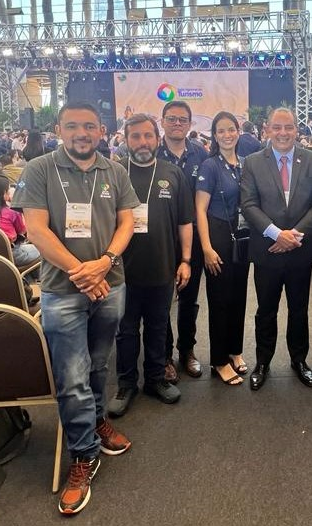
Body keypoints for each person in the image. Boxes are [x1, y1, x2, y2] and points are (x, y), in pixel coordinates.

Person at [11, 102, 139, 514]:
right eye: (73, 126)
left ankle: (97, 420)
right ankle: (83, 454)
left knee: (99, 365)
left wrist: (105, 263)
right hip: (61, 291)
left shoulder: (114, 171)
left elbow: (126, 222)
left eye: (89, 126)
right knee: (70, 376)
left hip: (110, 285)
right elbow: (36, 229)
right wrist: (80, 270)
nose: (81, 133)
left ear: (102, 131)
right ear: (59, 130)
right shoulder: (39, 169)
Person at [107, 114, 194, 417]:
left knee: (158, 328)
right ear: (126, 139)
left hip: (162, 268)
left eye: (148, 136)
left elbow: (185, 221)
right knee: (126, 331)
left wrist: (185, 260)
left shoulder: (172, 173)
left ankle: (156, 379)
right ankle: (126, 383)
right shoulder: (115, 174)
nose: (142, 142)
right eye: (135, 136)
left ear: (157, 139)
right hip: (122, 272)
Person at [241, 107, 312, 390]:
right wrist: (277, 234)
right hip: (267, 252)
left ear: (296, 130)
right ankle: (263, 362)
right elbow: (249, 204)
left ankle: (299, 360)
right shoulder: (253, 162)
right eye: (276, 127)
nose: (282, 133)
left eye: (288, 127)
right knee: (265, 310)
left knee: (299, 310)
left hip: (300, 253)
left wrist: (294, 236)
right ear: (266, 129)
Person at [196, 112, 250, 385]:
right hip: (217, 236)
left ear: (238, 131)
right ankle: (219, 360)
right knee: (219, 300)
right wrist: (206, 246)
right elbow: (200, 210)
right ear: (215, 136)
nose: (227, 135)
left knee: (239, 297)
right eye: (221, 131)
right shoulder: (210, 165)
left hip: (241, 238)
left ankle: (235, 350)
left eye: (231, 129)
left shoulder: (244, 164)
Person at [157, 101, 208, 380]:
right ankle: (164, 357)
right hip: (160, 240)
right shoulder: (150, 153)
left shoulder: (201, 154)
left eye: (182, 120)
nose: (177, 123)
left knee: (189, 299)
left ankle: (187, 351)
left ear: (190, 124)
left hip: (194, 241)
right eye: (172, 119)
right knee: (162, 300)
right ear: (162, 121)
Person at [0, 179, 41, 268]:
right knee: (44, 250)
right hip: (13, 255)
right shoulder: (12, 211)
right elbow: (23, 230)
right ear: (4, 194)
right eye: (8, 190)